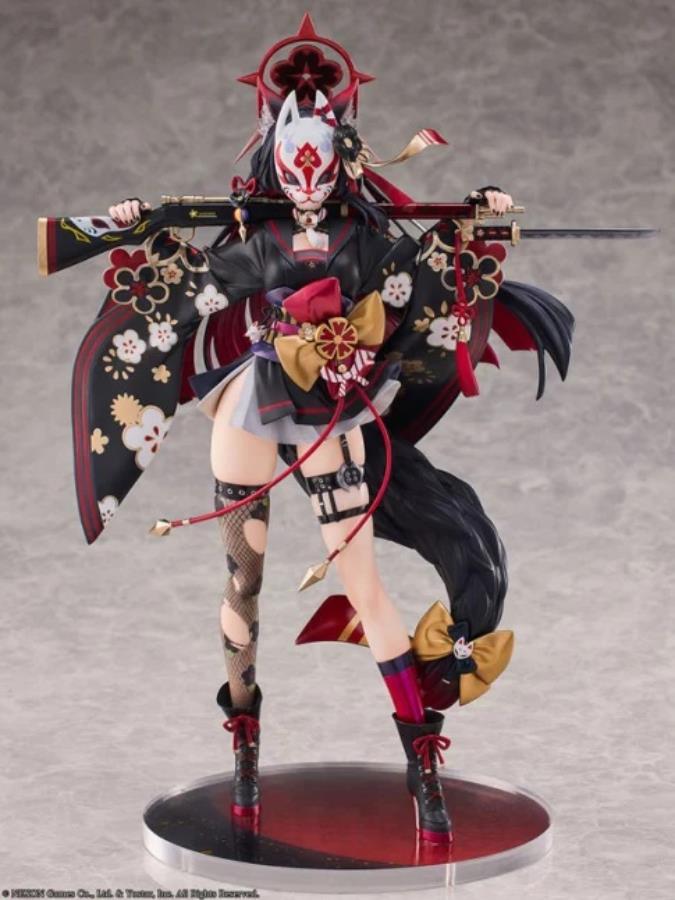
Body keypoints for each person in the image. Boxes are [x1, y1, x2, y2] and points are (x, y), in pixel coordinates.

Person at [78, 15, 573, 846]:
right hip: (250, 404)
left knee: (363, 582)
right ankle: (243, 736)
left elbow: (426, 278)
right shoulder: (261, 239)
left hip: (330, 409)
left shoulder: (364, 243)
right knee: (242, 584)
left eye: (318, 169)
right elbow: (194, 288)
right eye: (292, 169)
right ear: (276, 164)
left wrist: (478, 222)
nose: (306, 187)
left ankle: (421, 755)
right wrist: (139, 226)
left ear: (340, 163)